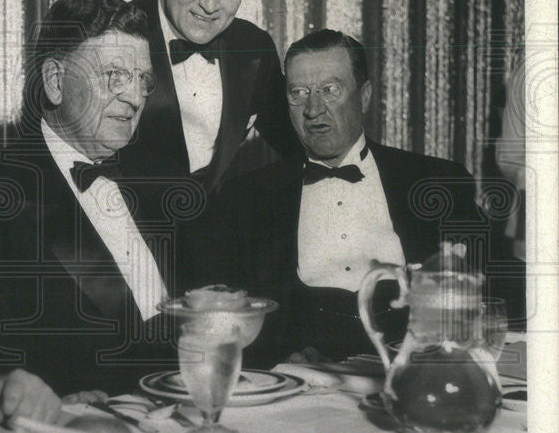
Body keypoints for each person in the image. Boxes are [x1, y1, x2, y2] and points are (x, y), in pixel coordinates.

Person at [0, 0, 199, 427]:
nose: (134, 97)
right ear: (54, 80)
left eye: (142, 80)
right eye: (113, 75)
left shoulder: (168, 180)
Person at [203, 29, 525, 366]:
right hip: (300, 379)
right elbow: (224, 314)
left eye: (330, 90)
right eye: (298, 92)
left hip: (415, 371)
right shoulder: (246, 197)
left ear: (365, 95)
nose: (313, 109)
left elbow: (500, 285)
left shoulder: (437, 181)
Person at [126, 0, 297, 194]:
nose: (210, 4)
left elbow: (298, 144)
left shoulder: (254, 47)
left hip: (218, 231)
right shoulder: (113, 35)